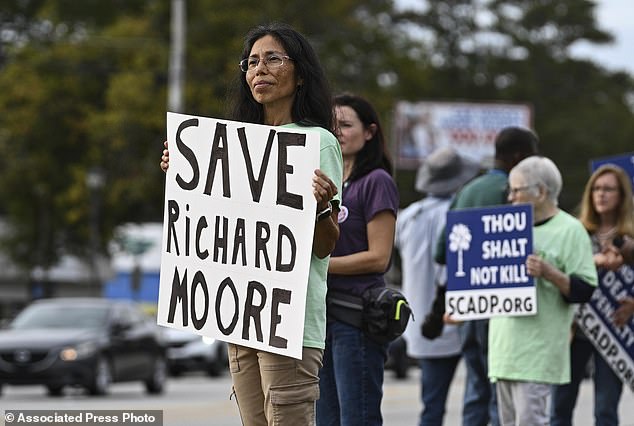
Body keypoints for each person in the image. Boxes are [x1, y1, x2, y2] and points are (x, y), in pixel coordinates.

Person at [160, 22, 343, 426]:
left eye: (273, 59)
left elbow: (325, 246)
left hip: (288, 321)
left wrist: (321, 207)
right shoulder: (235, 145)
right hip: (241, 319)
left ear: (299, 75)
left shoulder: (318, 142)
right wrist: (184, 175)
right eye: (252, 62)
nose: (260, 69)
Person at [433, 126, 539, 426]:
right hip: (505, 311)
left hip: (468, 306)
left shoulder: (467, 190)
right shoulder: (517, 194)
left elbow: (441, 252)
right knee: (500, 391)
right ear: (519, 156)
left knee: (475, 388)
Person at [488, 156, 598, 425]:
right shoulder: (504, 226)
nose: (511, 197)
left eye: (516, 190)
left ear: (541, 192)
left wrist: (550, 272)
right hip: (503, 351)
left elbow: (584, 289)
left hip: (538, 352)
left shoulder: (570, 230)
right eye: (510, 191)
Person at [316, 93, 399, 426]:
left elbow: (379, 258)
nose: (337, 131)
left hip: (355, 318)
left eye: (346, 125)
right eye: (332, 124)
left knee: (357, 418)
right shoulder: (325, 182)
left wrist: (319, 266)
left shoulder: (376, 181)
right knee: (325, 420)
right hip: (321, 318)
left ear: (370, 132)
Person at [396, 146, 480, 426]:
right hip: (464, 318)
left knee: (431, 406)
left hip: (422, 324)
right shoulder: (463, 213)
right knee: (477, 399)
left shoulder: (408, 217)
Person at [551, 164, 634, 426]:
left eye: (609, 189)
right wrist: (595, 260)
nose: (601, 194)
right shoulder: (575, 231)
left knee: (605, 409)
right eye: (596, 189)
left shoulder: (630, 236)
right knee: (560, 405)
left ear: (621, 195)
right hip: (576, 329)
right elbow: (559, 271)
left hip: (614, 332)